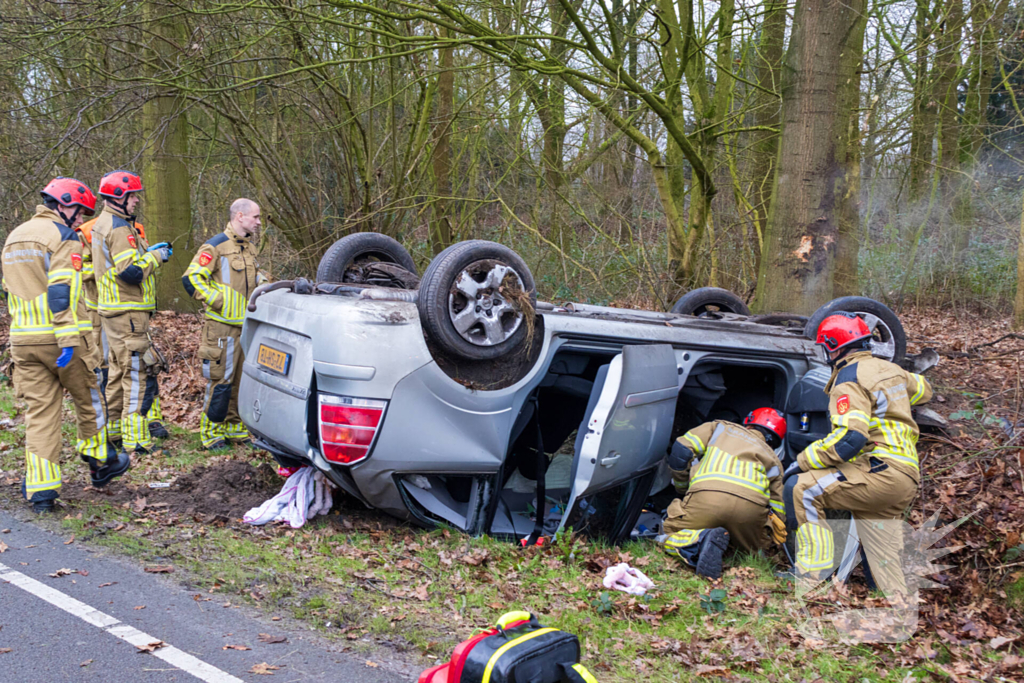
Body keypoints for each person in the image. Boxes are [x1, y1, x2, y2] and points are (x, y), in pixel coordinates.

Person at [1, 178, 130, 512]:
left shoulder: (15, 236)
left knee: (41, 414)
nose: (80, 220)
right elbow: (62, 292)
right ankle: (101, 461)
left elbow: (8, 290)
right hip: (61, 341)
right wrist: (69, 340)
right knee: (90, 398)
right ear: (64, 204)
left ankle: (42, 492)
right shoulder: (63, 237)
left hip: (23, 340)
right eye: (79, 212)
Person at [783, 313, 933, 595]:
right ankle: (895, 611)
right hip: (906, 477)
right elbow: (924, 391)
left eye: (825, 348)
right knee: (884, 570)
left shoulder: (848, 378)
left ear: (835, 347)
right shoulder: (892, 370)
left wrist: (802, 461)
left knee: (801, 489)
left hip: (880, 470)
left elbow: (850, 438)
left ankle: (812, 573)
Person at [91, 170, 172, 454]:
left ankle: (113, 430)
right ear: (118, 197)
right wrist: (156, 257)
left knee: (116, 370)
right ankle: (136, 440)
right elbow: (131, 272)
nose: (136, 201)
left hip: (113, 311)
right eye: (132, 196)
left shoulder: (104, 223)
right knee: (138, 372)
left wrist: (146, 251)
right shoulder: (118, 228)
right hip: (128, 312)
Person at [659, 408, 787, 579]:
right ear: (776, 442)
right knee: (748, 555)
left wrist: (682, 488)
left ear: (749, 421)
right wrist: (765, 541)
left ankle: (699, 539)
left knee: (667, 535)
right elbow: (778, 510)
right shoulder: (775, 462)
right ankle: (735, 550)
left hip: (707, 499)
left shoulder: (719, 428)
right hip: (749, 514)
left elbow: (681, 451)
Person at [182, 198, 265, 450]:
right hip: (221, 327)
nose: (259, 222)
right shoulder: (215, 246)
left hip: (245, 326)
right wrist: (217, 300)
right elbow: (191, 279)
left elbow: (253, 277)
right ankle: (211, 432)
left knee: (241, 381)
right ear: (239, 216)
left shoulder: (249, 248)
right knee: (220, 380)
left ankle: (234, 427)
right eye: (255, 217)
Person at [79, 216, 169, 440]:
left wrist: (149, 256)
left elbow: (137, 264)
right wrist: (104, 270)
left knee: (141, 362)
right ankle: (112, 424)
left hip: (131, 307)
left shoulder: (135, 228)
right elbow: (79, 269)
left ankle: (150, 418)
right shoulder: (88, 230)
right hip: (100, 309)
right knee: (111, 366)